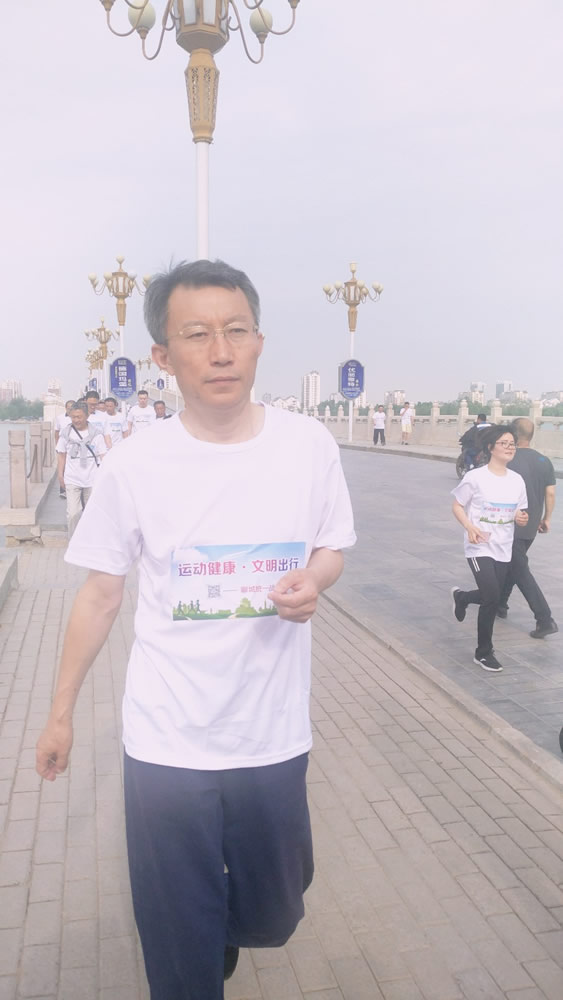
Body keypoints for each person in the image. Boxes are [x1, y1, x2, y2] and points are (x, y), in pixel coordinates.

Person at [36, 259, 356, 1000]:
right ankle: (194, 951)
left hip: (271, 733)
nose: (220, 351)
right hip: (167, 738)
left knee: (275, 910)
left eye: (235, 331)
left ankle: (225, 927)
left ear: (258, 341)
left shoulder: (308, 445)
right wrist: (60, 714)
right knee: (178, 938)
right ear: (163, 354)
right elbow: (100, 595)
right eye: (197, 335)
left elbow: (331, 547)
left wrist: (315, 580)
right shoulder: (135, 463)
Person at [450, 425, 528, 672]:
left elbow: (519, 511)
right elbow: (457, 506)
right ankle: (483, 652)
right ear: (491, 447)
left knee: (490, 595)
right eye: (504, 443)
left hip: (503, 546)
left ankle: (462, 597)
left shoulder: (517, 480)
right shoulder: (475, 477)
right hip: (479, 546)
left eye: (512, 443)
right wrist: (469, 526)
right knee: (492, 596)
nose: (509, 447)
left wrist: (520, 518)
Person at [496, 417, 558, 638]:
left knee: (520, 570)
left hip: (511, 524)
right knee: (514, 565)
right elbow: (550, 493)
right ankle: (500, 604)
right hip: (531, 526)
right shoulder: (544, 460)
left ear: (512, 435)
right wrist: (546, 518)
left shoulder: (507, 458)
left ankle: (544, 619)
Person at [56, 401, 107, 537]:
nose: (76, 420)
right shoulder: (65, 434)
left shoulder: (96, 435)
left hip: (92, 479)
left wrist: (105, 476)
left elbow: (103, 456)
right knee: (73, 513)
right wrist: (60, 475)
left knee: (92, 512)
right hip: (72, 478)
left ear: (87, 416)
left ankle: (92, 539)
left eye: (79, 417)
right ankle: (73, 540)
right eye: (73, 417)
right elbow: (61, 455)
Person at [55, 400, 76, 499]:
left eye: (72, 408)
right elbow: (56, 432)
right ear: (65, 408)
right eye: (68, 408)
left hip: (74, 446)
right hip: (63, 445)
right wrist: (57, 445)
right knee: (62, 467)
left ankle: (73, 487)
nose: (70, 410)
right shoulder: (60, 418)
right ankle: (63, 489)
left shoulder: (78, 418)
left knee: (72, 467)